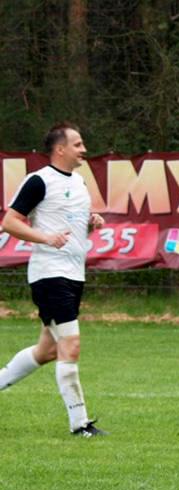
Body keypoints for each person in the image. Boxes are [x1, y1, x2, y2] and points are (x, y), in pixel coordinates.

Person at [0, 122, 107, 437]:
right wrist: (46, 238)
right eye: (77, 144)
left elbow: (69, 225)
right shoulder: (39, 181)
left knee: (46, 350)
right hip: (50, 274)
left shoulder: (79, 181)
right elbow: (9, 222)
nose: (83, 149)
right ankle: (80, 425)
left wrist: (90, 223)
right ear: (60, 149)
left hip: (74, 274)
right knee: (70, 345)